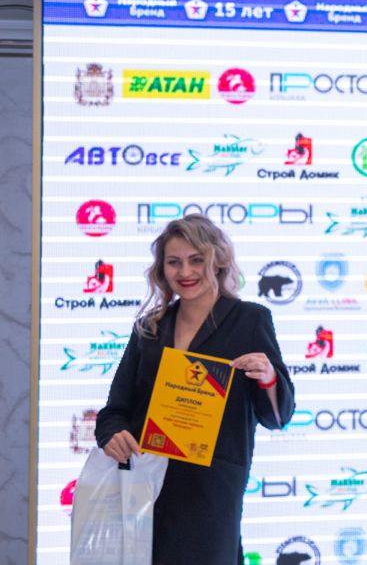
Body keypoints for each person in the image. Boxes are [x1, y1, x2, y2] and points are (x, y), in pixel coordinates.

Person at [95, 214, 295, 565]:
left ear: (217, 261)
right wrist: (112, 434)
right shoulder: (149, 328)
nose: (185, 271)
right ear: (162, 269)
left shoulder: (250, 319)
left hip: (211, 495)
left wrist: (267, 378)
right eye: (174, 262)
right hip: (146, 489)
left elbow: (277, 417)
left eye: (196, 260)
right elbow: (115, 409)